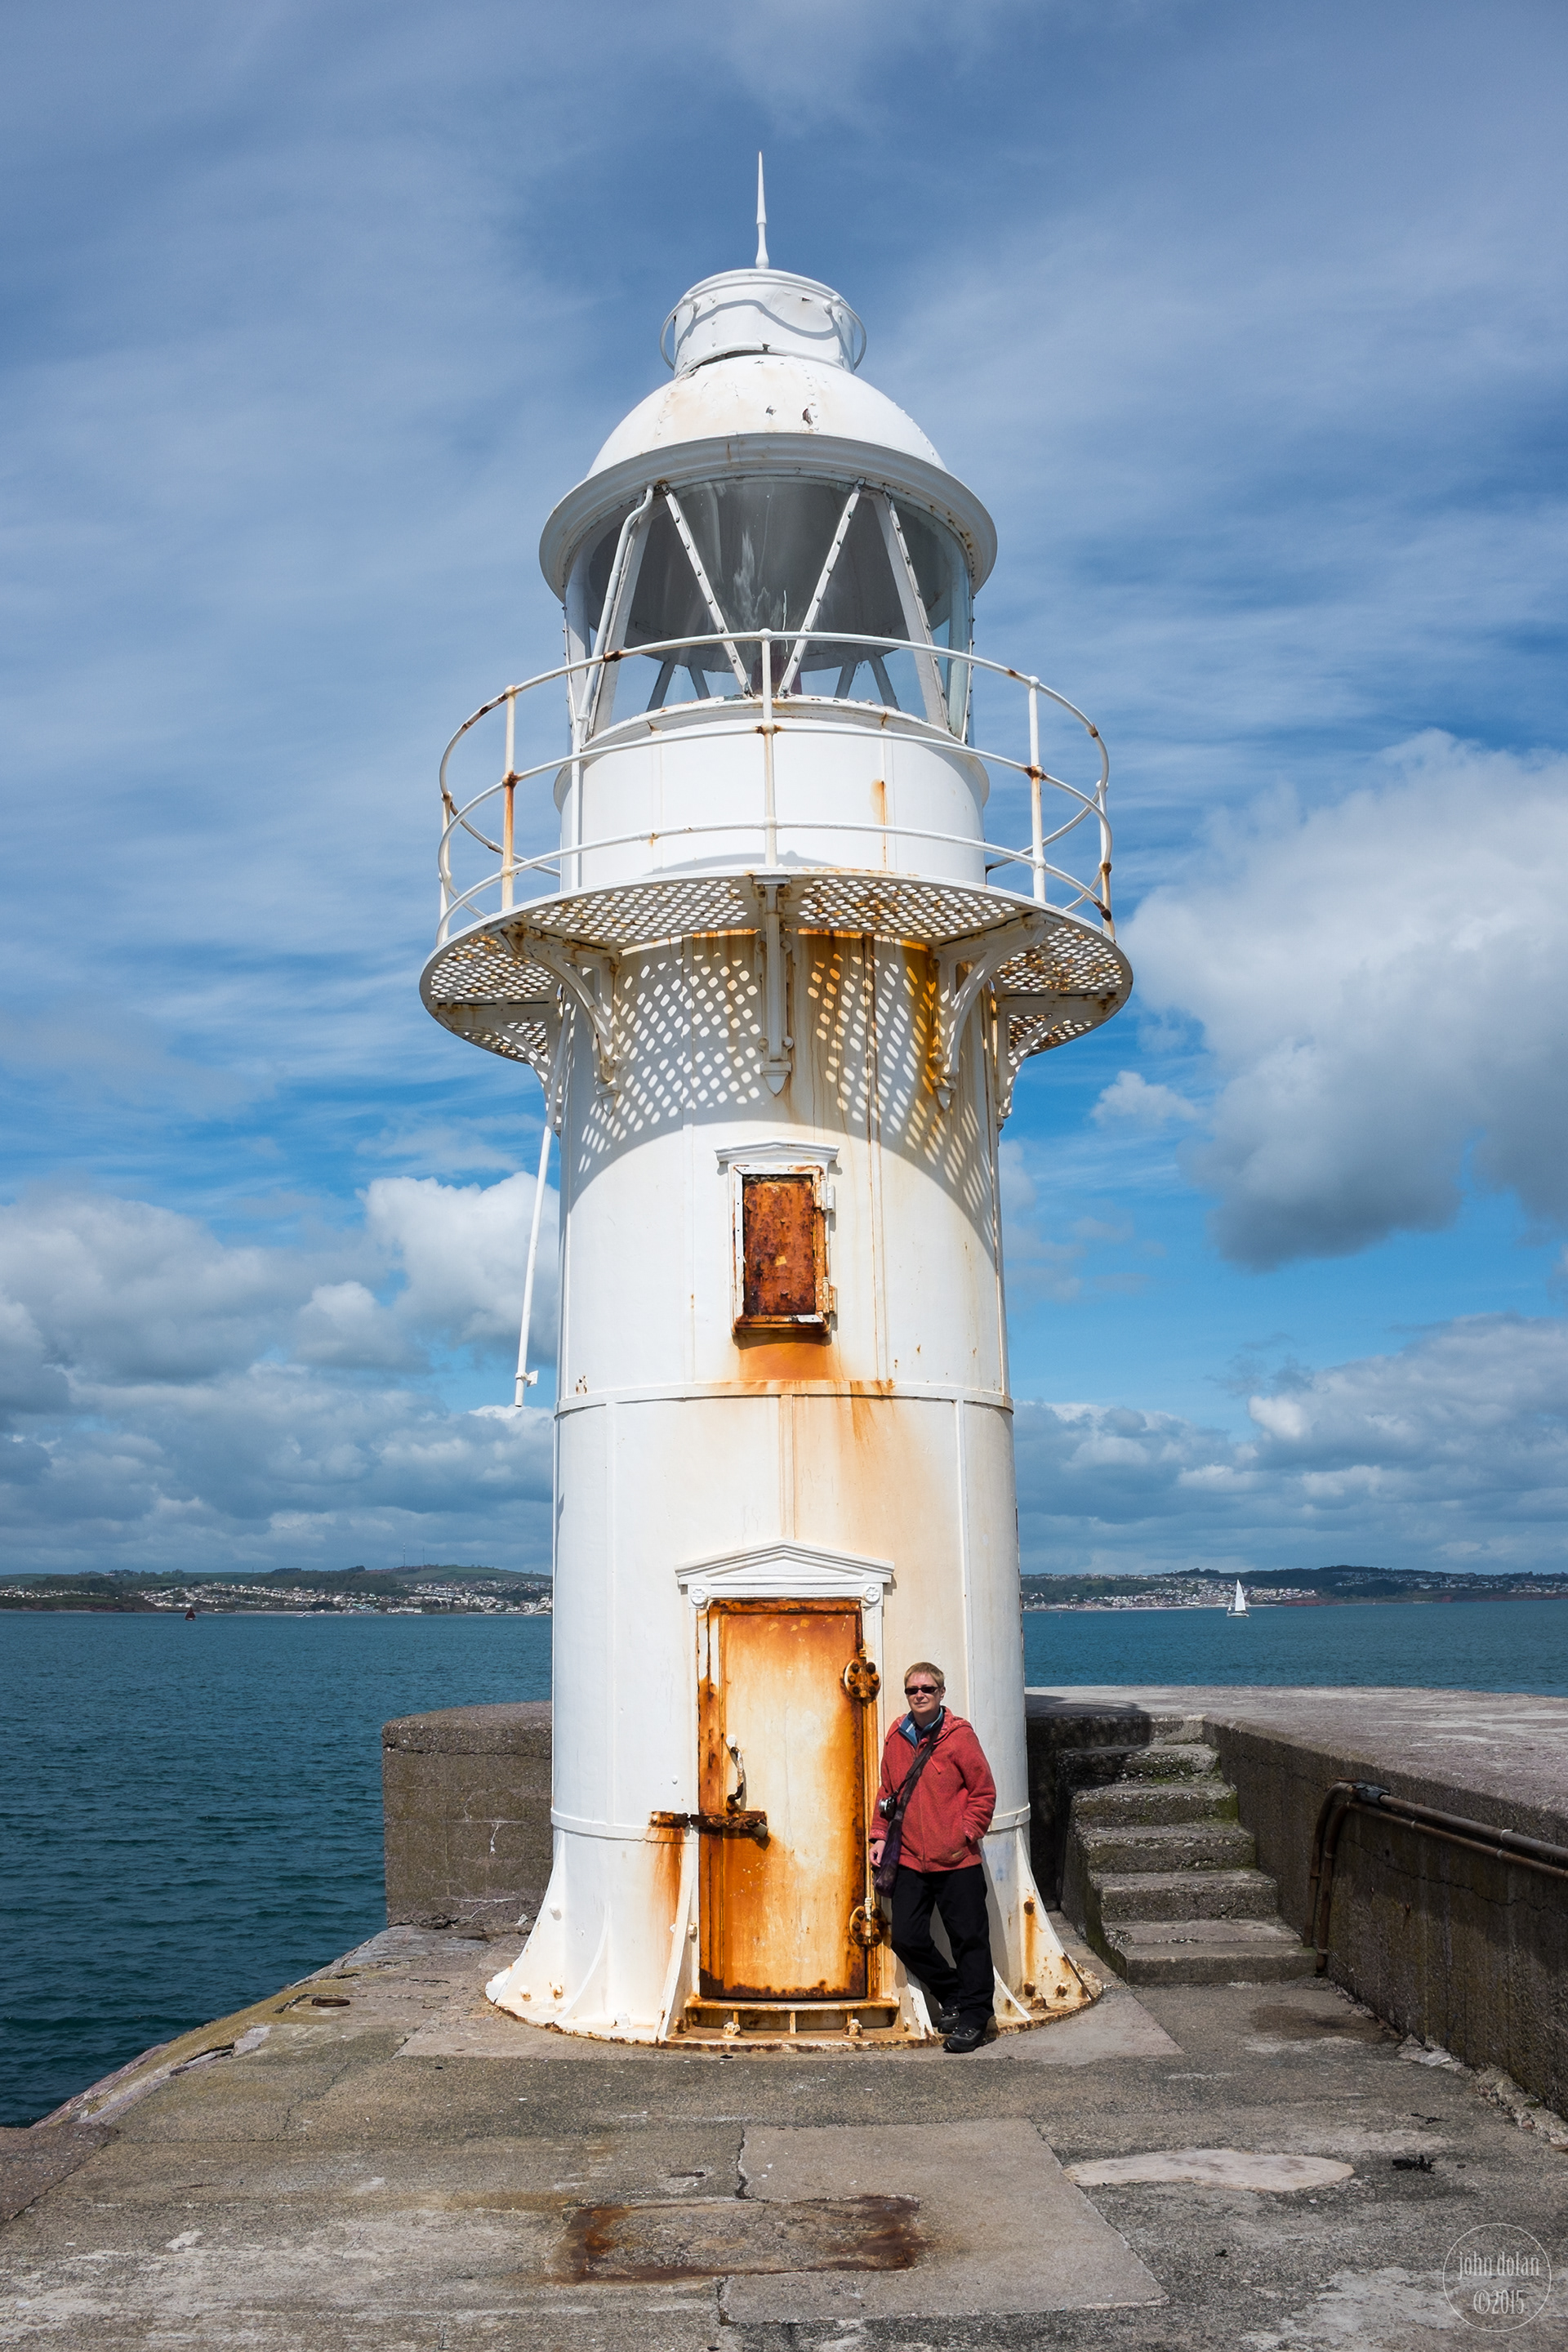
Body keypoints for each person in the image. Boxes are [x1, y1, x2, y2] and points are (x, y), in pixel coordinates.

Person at [869, 1661, 996, 2054]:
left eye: (927, 1688)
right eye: (912, 1690)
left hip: (957, 1860)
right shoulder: (896, 1736)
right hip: (909, 1858)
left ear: (941, 1693)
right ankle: (953, 1991)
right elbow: (887, 1791)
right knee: (907, 1936)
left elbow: (984, 1792)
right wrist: (877, 1835)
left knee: (969, 1940)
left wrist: (965, 1834)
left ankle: (976, 2018)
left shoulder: (959, 1738)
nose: (919, 1694)